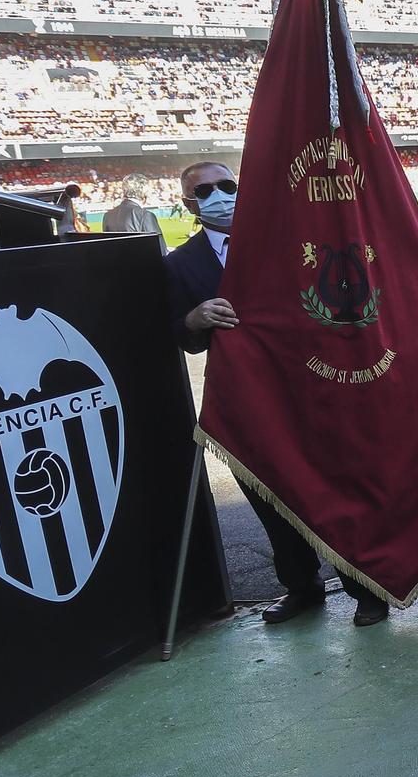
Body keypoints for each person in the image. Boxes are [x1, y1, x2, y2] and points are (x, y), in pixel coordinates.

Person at [162, 162, 385, 626]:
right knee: (268, 498)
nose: (220, 195)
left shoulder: (287, 244)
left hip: (308, 391)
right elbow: (182, 338)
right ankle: (301, 587)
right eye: (205, 191)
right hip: (246, 406)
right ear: (189, 204)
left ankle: (363, 587)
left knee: (333, 488)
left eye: (227, 186)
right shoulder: (181, 265)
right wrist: (193, 319)